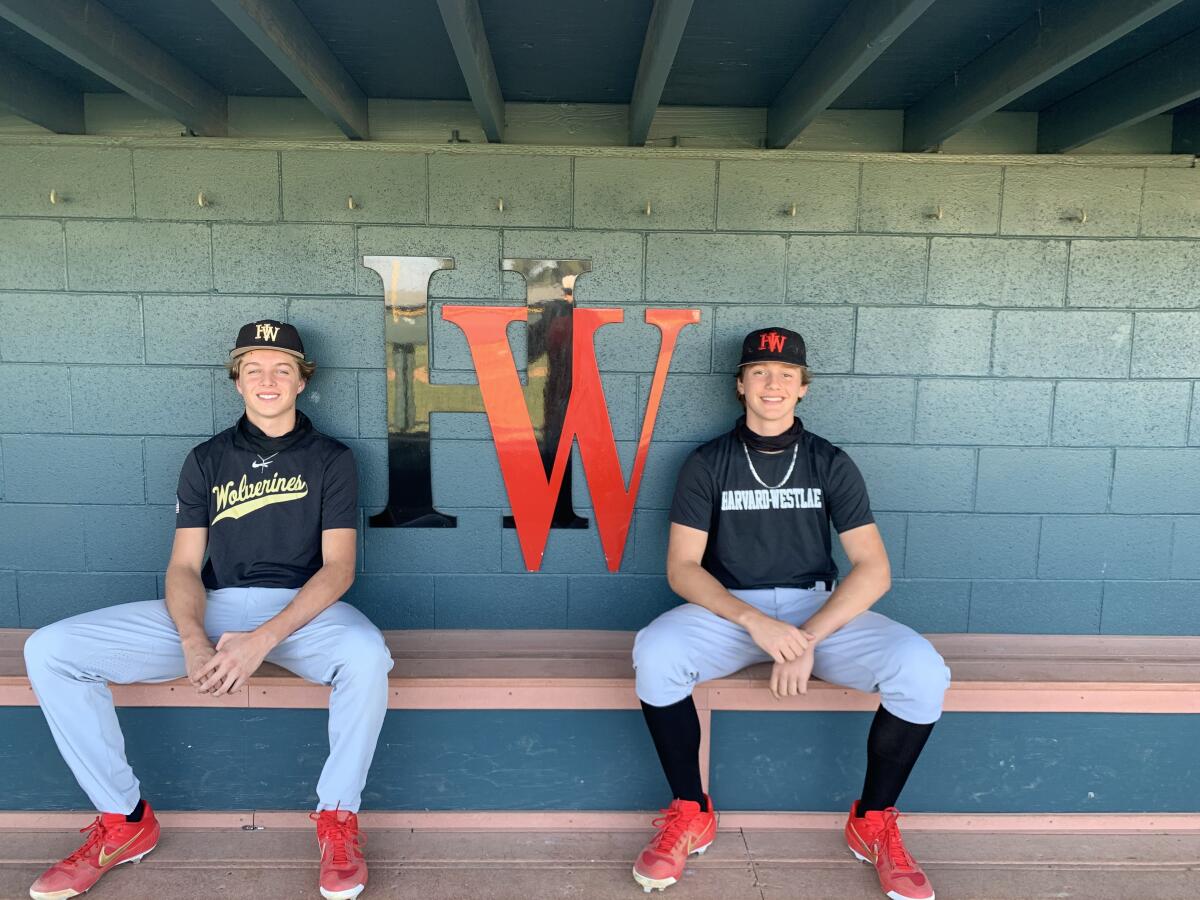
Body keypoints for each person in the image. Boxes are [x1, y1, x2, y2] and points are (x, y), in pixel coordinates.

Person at [23, 320, 393, 900]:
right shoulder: (207, 459)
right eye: (253, 369)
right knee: (50, 649)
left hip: (302, 617)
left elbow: (338, 569)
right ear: (238, 382)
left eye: (281, 369)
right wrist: (194, 639)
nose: (267, 380)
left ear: (302, 381)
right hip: (215, 609)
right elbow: (182, 568)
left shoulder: (331, 459)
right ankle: (124, 821)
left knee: (368, 656)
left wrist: (263, 640)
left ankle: (338, 820)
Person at [630, 327, 950, 899]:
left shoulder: (830, 461)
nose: (771, 384)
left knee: (922, 671)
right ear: (740, 386)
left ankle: (872, 820)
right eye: (759, 373)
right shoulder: (708, 463)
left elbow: (873, 569)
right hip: (730, 615)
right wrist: (756, 622)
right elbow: (682, 568)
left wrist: (804, 638)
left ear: (803, 388)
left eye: (785, 375)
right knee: (655, 653)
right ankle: (690, 808)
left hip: (816, 610)